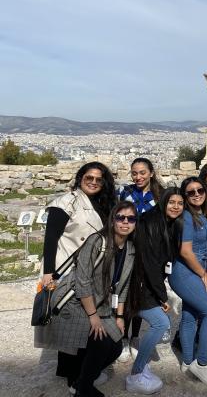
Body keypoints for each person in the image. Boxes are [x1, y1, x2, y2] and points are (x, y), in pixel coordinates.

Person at [36, 202, 136, 397]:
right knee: (101, 341)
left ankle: (83, 378)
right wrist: (93, 316)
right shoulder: (97, 241)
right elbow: (82, 281)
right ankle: (84, 388)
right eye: (120, 217)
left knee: (115, 346)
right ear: (112, 220)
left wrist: (120, 316)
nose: (125, 222)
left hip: (102, 303)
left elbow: (123, 286)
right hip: (76, 302)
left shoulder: (130, 249)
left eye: (130, 219)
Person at [38, 161, 116, 388]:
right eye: (88, 178)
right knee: (72, 324)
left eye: (98, 179)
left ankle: (71, 370)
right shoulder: (66, 201)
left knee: (77, 324)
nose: (93, 182)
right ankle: (75, 379)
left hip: (87, 271)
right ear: (80, 178)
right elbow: (51, 238)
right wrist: (48, 273)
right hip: (65, 270)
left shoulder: (101, 203)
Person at [126, 188, 184, 393]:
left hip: (148, 283)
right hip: (139, 284)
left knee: (160, 323)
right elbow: (149, 263)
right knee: (161, 323)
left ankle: (141, 366)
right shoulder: (151, 223)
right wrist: (162, 295)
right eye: (172, 202)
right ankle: (135, 374)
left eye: (180, 203)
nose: (175, 206)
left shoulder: (167, 223)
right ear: (164, 202)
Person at [168, 177, 207, 387]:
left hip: (199, 267)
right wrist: (204, 274)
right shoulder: (188, 217)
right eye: (191, 192)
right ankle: (202, 363)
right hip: (186, 270)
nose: (197, 194)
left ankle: (188, 360)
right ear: (185, 196)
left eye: (200, 190)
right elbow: (185, 251)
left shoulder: (203, 213)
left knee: (190, 314)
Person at [117, 157, 165, 362]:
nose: (138, 177)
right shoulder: (125, 192)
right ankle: (123, 338)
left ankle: (135, 337)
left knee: (141, 296)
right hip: (127, 248)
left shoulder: (160, 195)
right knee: (125, 294)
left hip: (150, 251)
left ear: (151, 173)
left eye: (142, 172)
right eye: (135, 173)